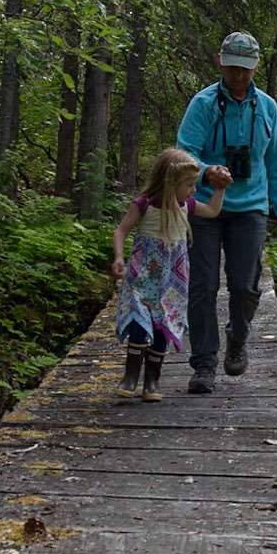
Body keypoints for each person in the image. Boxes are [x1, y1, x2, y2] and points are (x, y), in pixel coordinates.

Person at [176, 31, 277, 396]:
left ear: (255, 67)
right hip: (203, 207)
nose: (238, 76)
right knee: (202, 286)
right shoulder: (203, 104)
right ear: (220, 62)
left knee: (245, 286)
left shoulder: (268, 108)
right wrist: (206, 170)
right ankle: (203, 364)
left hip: (251, 209)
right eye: (232, 68)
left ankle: (237, 338)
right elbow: (184, 153)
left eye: (244, 69)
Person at [112, 147, 225, 403]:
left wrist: (220, 190)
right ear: (170, 182)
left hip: (173, 282)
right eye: (189, 185)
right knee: (140, 320)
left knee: (165, 323)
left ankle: (152, 380)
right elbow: (121, 231)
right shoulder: (144, 205)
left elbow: (213, 211)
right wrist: (119, 256)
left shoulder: (187, 206)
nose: (193, 190)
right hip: (143, 277)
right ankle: (130, 377)